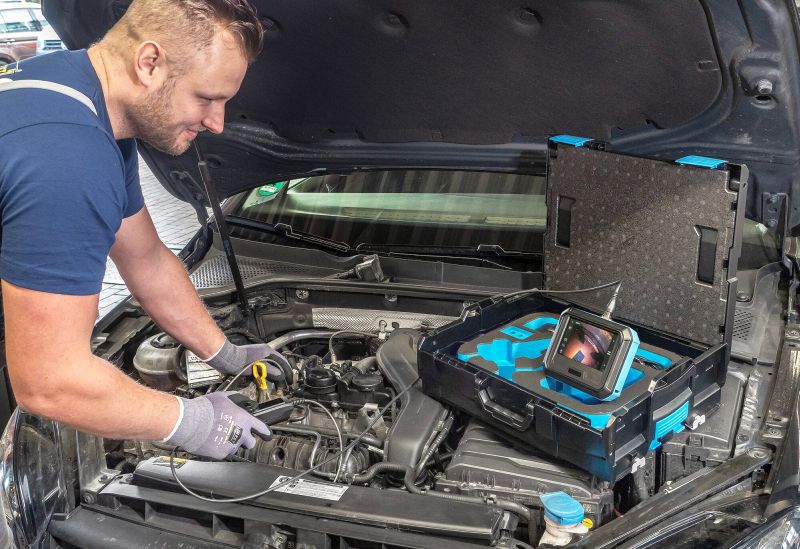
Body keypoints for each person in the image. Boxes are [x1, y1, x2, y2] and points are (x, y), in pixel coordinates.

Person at [0, 0, 285, 459]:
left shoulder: (80, 95)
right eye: (206, 98)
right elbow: (50, 383)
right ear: (149, 62)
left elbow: (146, 260)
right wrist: (193, 422)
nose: (217, 123)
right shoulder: (67, 157)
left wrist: (225, 354)